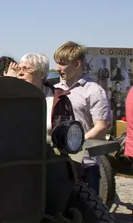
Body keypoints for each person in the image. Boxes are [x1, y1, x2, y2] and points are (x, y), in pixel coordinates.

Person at [54, 41, 111, 195]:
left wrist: (75, 145)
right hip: (59, 163)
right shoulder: (55, 90)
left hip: (85, 165)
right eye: (57, 63)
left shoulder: (94, 91)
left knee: (87, 214)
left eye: (62, 63)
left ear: (77, 64)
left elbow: (101, 126)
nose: (58, 68)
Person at [12, 53, 75, 134]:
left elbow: (70, 133)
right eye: (19, 69)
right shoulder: (12, 97)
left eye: (25, 69)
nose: (20, 73)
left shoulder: (59, 100)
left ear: (41, 74)